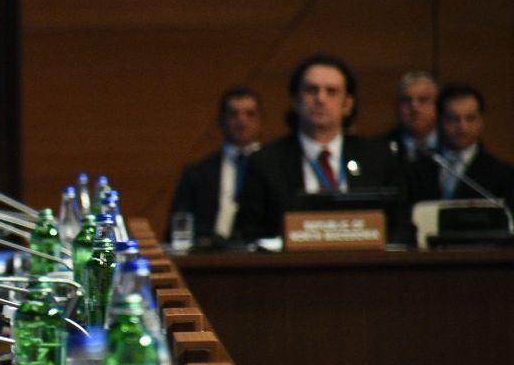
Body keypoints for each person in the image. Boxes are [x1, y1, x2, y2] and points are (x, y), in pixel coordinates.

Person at [233, 53, 404, 242]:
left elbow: (402, 229)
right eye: (311, 90)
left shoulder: (378, 158)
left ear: (347, 104)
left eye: (331, 91)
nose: (321, 99)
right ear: (296, 100)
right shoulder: (265, 162)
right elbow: (247, 234)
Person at [168, 86, 262, 245]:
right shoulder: (198, 172)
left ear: (260, 120)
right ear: (221, 120)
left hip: (263, 255)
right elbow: (178, 227)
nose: (242, 120)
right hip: (210, 255)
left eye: (250, 114)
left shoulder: (276, 168)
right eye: (234, 114)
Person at [404, 81, 514, 206]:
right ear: (439, 120)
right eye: (453, 118)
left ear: (481, 121)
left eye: (470, 118)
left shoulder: (503, 174)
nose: (462, 127)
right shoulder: (416, 170)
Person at [384, 70, 440, 162]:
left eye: (423, 100)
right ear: (397, 106)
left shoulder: (450, 145)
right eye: (406, 100)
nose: (415, 108)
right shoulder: (383, 148)